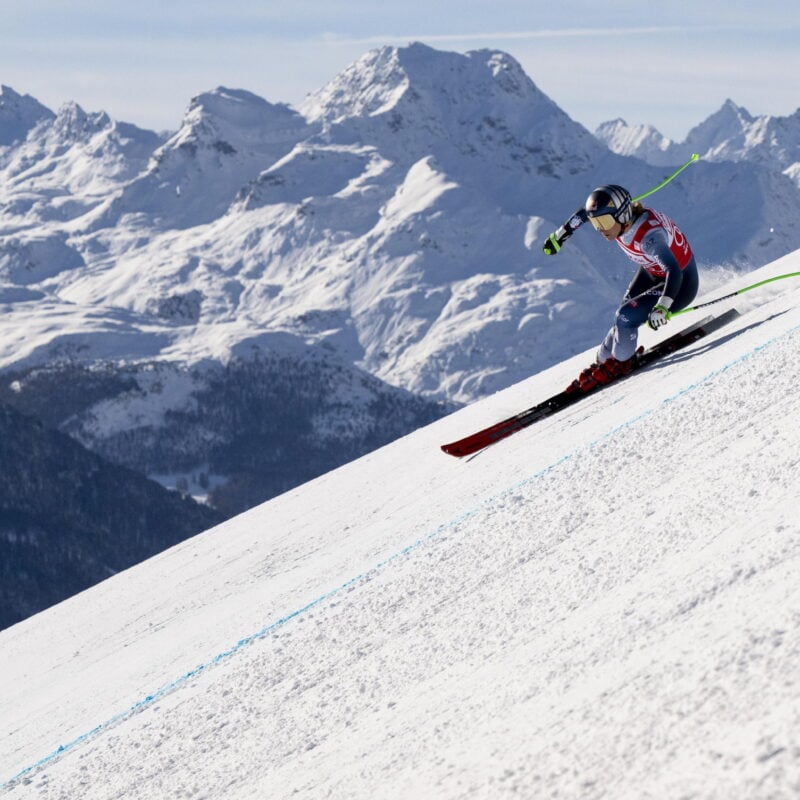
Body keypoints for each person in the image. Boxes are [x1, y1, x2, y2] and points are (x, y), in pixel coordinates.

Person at [542, 184, 698, 392]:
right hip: (653, 271)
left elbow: (674, 271)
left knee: (625, 316)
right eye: (597, 223)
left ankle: (622, 362)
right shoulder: (619, 220)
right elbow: (584, 214)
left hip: (680, 284)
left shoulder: (650, 238)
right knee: (623, 314)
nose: (601, 229)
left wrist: (663, 306)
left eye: (605, 222)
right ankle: (604, 362)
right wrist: (560, 236)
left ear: (623, 215)